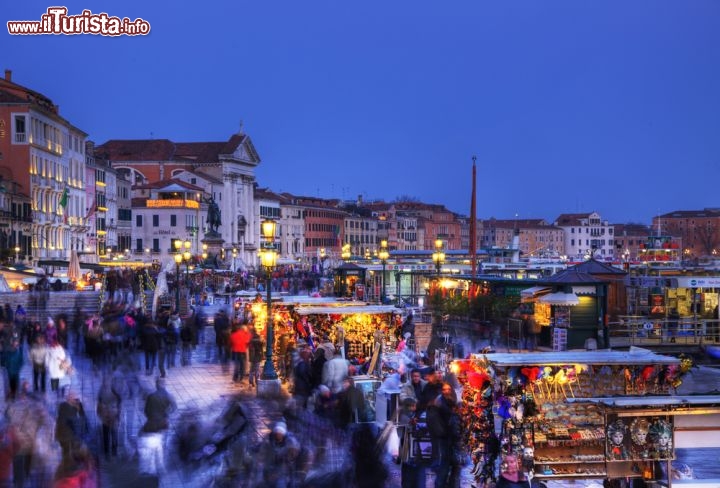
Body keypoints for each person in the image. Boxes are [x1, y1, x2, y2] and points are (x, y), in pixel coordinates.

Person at [97, 374, 122, 457]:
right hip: (107, 418)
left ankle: (112, 452)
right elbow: (99, 406)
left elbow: (119, 406)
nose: (106, 383)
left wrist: (118, 415)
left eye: (107, 381)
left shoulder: (113, 393)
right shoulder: (102, 392)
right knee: (108, 435)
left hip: (112, 418)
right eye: (105, 381)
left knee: (112, 435)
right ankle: (109, 452)